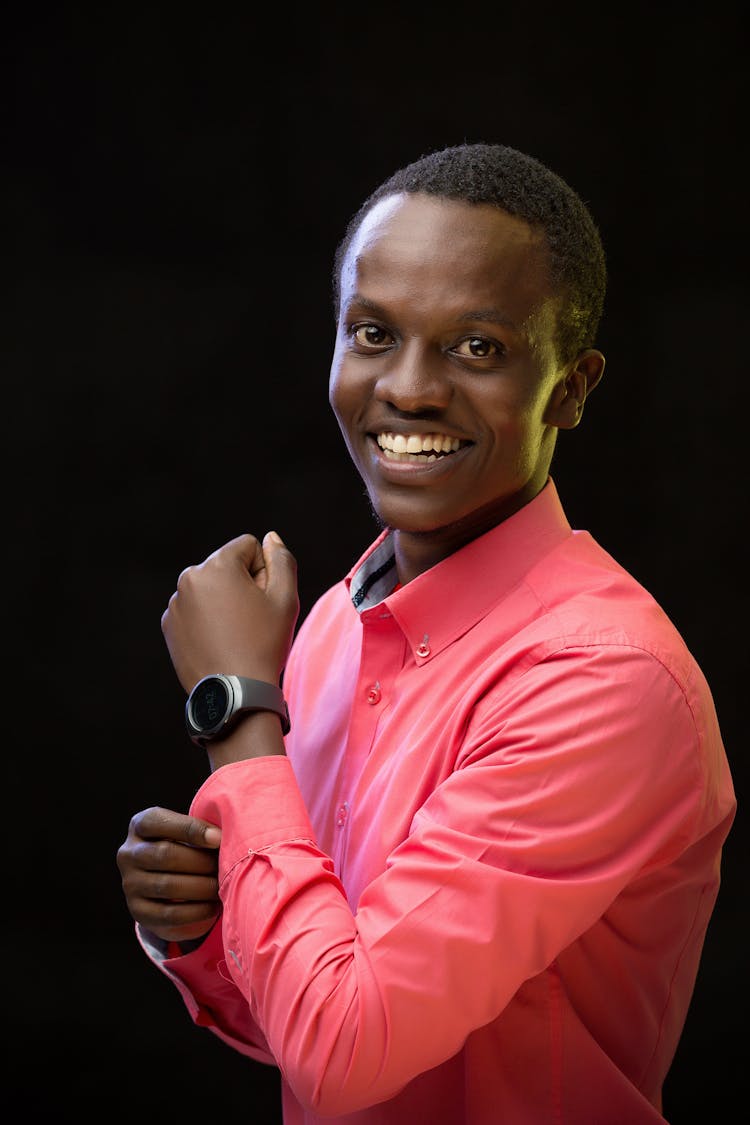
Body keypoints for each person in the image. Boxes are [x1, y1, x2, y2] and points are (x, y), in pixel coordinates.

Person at [116, 142, 736, 1124]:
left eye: (475, 347)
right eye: (373, 332)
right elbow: (303, 1008)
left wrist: (236, 709)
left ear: (572, 388)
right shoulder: (332, 623)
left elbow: (345, 1050)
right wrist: (202, 934)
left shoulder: (604, 681)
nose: (408, 388)